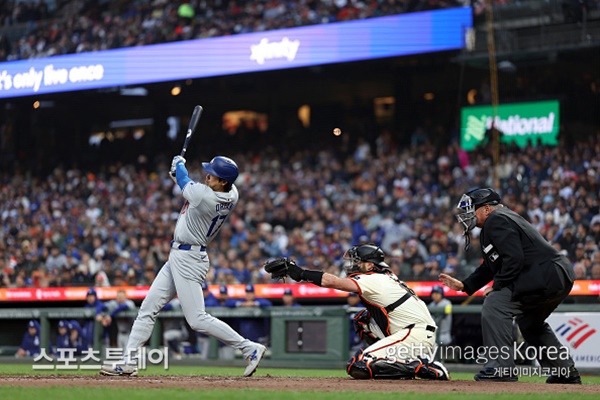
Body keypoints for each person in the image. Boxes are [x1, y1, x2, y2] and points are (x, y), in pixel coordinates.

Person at [100, 155, 266, 377]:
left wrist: (178, 165)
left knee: (197, 319)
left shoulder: (205, 195)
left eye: (213, 175)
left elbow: (186, 182)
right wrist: (178, 176)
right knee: (147, 308)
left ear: (224, 182)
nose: (208, 175)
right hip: (180, 255)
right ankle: (128, 361)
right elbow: (186, 185)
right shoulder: (231, 194)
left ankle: (249, 348)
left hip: (189, 258)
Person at [439, 187, 579, 383]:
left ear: (487, 209)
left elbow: (514, 259)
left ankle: (500, 368)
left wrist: (497, 285)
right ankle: (565, 372)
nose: (467, 215)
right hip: (557, 274)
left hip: (546, 274)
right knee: (529, 323)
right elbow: (490, 266)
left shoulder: (496, 220)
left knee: (495, 303)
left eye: (473, 209)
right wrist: (464, 285)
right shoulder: (500, 221)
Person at [265, 243, 449, 380]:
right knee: (363, 320)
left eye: (357, 261)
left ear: (370, 265)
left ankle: (421, 366)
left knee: (359, 365)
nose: (352, 265)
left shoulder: (373, 278)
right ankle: (397, 364)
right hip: (412, 332)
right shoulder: (384, 276)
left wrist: (300, 273)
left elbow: (333, 282)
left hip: (413, 334)